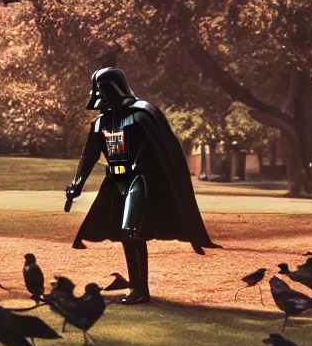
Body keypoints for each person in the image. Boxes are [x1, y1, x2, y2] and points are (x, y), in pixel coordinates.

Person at [65, 68, 220, 304]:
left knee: (131, 231)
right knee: (124, 233)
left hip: (139, 180)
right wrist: (77, 183)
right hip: (115, 181)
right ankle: (136, 286)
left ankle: (140, 289)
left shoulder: (141, 116)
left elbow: (158, 152)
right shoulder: (100, 124)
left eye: (105, 92)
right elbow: (89, 156)